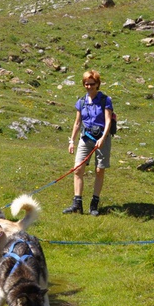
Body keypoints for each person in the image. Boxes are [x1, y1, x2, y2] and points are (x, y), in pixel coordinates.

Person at [63, 70, 113, 216]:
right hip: (86, 138)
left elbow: (108, 120)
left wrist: (103, 138)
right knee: (78, 169)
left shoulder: (105, 100)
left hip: (102, 138)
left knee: (99, 170)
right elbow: (77, 123)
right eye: (86, 84)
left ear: (97, 84)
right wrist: (72, 141)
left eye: (92, 84)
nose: (89, 86)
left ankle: (94, 204)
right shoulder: (81, 101)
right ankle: (77, 203)